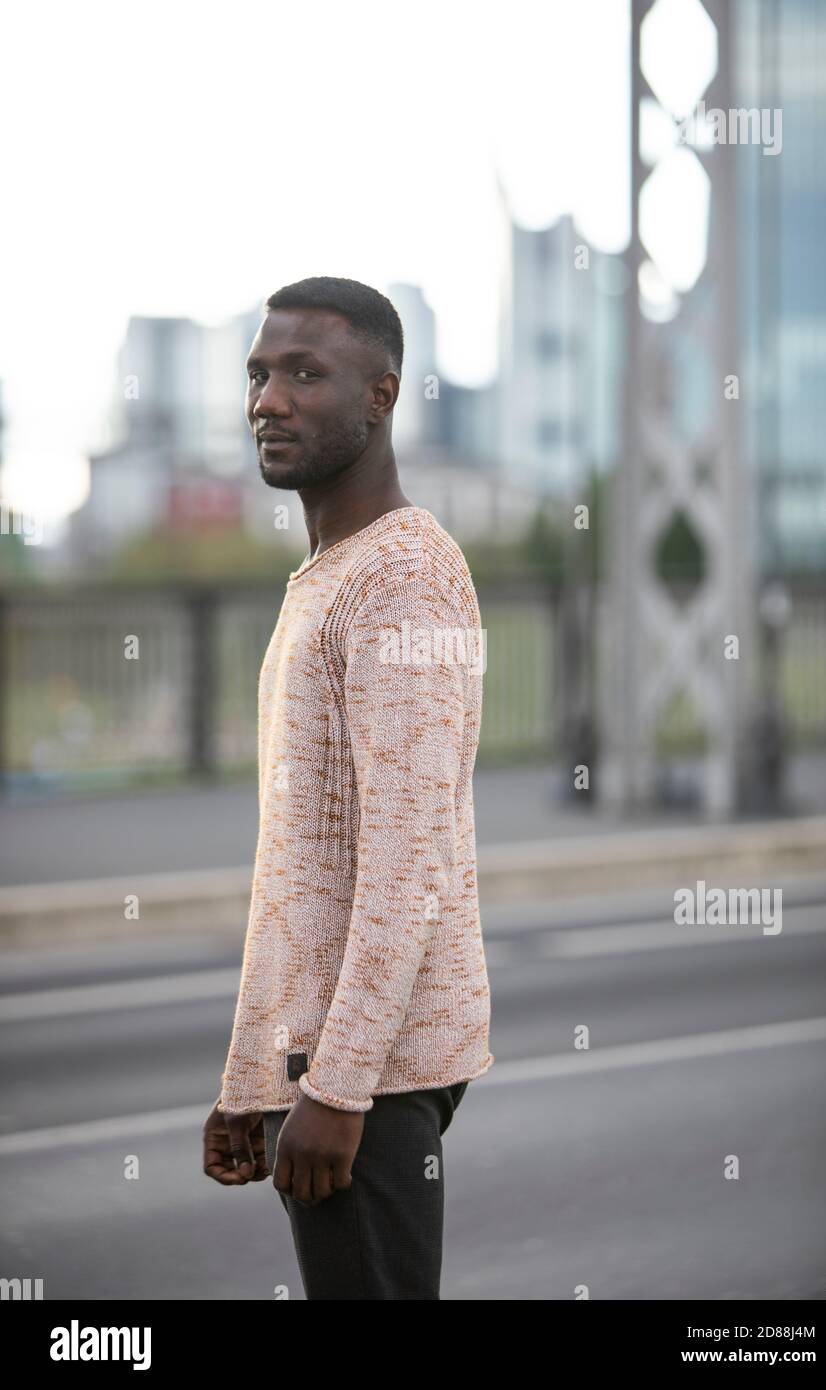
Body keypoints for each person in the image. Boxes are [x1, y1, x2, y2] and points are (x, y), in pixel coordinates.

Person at [202, 276, 493, 1299]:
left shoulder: (400, 575)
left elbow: (409, 859)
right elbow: (297, 871)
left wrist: (334, 1086)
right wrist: (253, 1075)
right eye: (258, 373)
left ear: (381, 395)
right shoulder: (332, 571)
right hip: (327, 1066)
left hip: (371, 1076)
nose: (266, 400)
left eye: (304, 374)